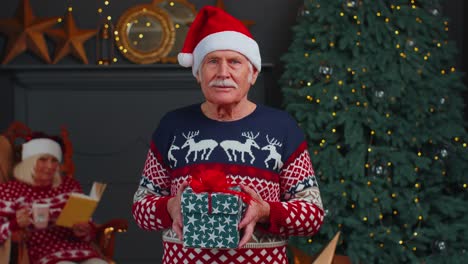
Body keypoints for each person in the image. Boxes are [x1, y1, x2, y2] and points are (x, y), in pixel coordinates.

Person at [132, 5, 324, 264]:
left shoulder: (282, 128)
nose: (223, 73)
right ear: (198, 73)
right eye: (212, 61)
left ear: (253, 73)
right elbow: (141, 208)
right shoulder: (173, 126)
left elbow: (312, 216)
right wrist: (169, 206)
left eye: (234, 62)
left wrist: (265, 211)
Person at [0, 132, 108, 264]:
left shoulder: (69, 185)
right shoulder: (10, 191)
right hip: (42, 251)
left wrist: (84, 230)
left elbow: (88, 232)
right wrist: (15, 223)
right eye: (43, 160)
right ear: (29, 161)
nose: (50, 166)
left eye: (54, 160)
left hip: (78, 248)